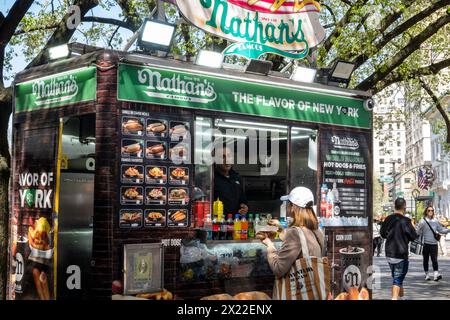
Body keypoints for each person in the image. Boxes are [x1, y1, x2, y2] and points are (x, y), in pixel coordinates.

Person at [259, 187, 324, 300]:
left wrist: (270, 246)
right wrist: (281, 228)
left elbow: (278, 269)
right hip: (312, 292)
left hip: (296, 293)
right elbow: (300, 240)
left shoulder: (294, 233)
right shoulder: (317, 231)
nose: (288, 207)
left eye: (289, 204)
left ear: (293, 207)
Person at [380, 198, 418, 300]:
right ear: (404, 206)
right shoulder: (406, 221)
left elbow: (382, 234)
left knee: (397, 276)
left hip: (389, 253)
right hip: (400, 253)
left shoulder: (388, 219)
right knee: (397, 279)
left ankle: (401, 297)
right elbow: (414, 236)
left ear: (394, 206)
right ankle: (394, 298)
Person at [416, 207, 450, 281]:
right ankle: (427, 275)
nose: (430, 211)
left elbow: (441, 230)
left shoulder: (435, 221)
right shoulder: (422, 221)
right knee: (426, 260)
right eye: (429, 210)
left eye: (432, 210)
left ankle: (435, 275)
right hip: (425, 244)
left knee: (434, 260)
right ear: (426, 212)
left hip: (434, 244)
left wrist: (449, 230)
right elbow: (418, 232)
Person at [213, 146, 248, 215]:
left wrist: (245, 207)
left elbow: (243, 199)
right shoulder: (211, 178)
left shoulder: (237, 177)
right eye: (223, 157)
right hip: (218, 223)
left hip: (235, 222)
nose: (227, 160)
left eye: (229, 156)